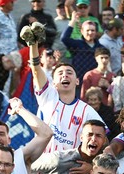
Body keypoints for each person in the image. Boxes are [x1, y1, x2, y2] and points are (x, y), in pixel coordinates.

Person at [23, 22, 104, 153]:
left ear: (77, 81)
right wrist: (33, 45)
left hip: (70, 166)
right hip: (43, 161)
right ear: (53, 82)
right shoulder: (47, 96)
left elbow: (103, 136)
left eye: (69, 73)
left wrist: (89, 163)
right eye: (60, 73)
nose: (65, 75)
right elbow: (36, 69)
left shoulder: (86, 111)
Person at [30, 119, 107, 174]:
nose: (93, 139)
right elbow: (28, 164)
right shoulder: (59, 159)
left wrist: (92, 168)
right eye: (89, 134)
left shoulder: (103, 165)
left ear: (104, 141)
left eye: (98, 136)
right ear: (81, 137)